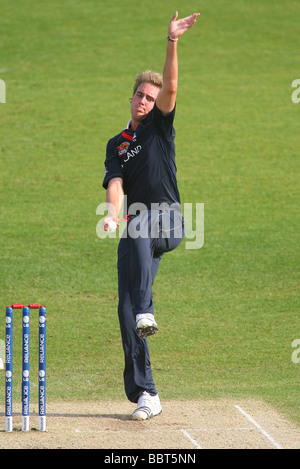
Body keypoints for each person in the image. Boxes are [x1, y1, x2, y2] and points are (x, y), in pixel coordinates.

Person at [102, 12, 200, 420]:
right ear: (131, 97)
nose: (145, 100)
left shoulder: (159, 125)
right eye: (140, 95)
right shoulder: (117, 143)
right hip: (136, 232)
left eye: (150, 97)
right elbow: (115, 184)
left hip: (170, 220)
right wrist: (110, 216)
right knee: (126, 313)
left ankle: (147, 309)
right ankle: (147, 393)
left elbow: (172, 84)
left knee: (139, 222)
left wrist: (172, 41)